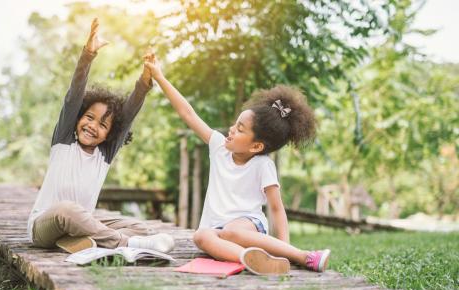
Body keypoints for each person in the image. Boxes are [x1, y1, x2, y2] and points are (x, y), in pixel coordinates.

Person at [144, 55, 330, 275]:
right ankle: (249, 259)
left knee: (232, 231)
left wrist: (285, 249)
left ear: (256, 146)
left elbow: (277, 209)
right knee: (200, 236)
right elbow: (187, 113)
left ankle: (303, 256)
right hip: (217, 232)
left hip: (247, 226)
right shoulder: (219, 147)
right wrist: (159, 77)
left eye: (240, 129)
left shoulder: (262, 165)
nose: (232, 129)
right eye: (235, 124)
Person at [27, 19, 174, 254]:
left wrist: (145, 80)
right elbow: (73, 95)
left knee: (139, 227)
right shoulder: (65, 139)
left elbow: (127, 116)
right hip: (44, 225)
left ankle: (79, 241)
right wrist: (88, 55)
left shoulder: (104, 154)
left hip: (78, 224)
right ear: (77, 119)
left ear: (110, 134)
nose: (93, 126)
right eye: (88, 117)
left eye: (103, 124)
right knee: (68, 210)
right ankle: (126, 245)